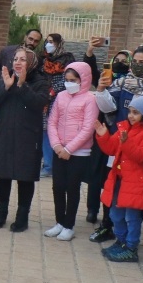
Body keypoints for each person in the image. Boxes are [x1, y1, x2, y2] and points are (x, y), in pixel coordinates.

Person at [86, 47, 143, 242]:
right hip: (119, 140)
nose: (138, 66)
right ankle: (108, 226)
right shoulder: (121, 82)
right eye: (136, 62)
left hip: (141, 143)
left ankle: (130, 235)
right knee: (113, 186)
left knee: (135, 190)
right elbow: (109, 107)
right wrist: (101, 91)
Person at [93, 96, 143, 262]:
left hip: (136, 183)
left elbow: (142, 156)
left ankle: (131, 247)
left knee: (131, 217)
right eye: (130, 112)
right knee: (115, 214)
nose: (131, 116)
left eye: (136, 113)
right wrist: (103, 136)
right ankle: (121, 241)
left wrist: (126, 142)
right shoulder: (125, 128)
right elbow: (111, 148)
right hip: (120, 180)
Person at [0, 47, 51, 232]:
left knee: (25, 178)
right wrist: (6, 87)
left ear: (31, 63)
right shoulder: (6, 78)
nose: (17, 62)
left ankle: (22, 218)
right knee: (3, 175)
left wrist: (23, 86)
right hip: (5, 135)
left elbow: (39, 103)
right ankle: (1, 214)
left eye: (23, 59)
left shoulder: (40, 82)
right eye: (15, 58)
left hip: (27, 137)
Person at [44, 62, 99, 241]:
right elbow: (52, 122)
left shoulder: (90, 99)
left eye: (73, 80)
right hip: (59, 149)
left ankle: (69, 225)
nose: (69, 83)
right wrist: (57, 146)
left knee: (72, 188)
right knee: (57, 187)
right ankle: (59, 222)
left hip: (78, 152)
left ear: (83, 79)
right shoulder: (60, 96)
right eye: (67, 80)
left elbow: (88, 127)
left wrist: (69, 148)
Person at [39, 34, 76, 177]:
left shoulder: (67, 59)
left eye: (51, 42)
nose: (48, 45)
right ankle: (47, 164)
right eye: (47, 42)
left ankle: (52, 166)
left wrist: (53, 91)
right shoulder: (44, 60)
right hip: (44, 100)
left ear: (59, 44)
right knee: (44, 131)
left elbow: (68, 79)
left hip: (59, 99)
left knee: (54, 131)